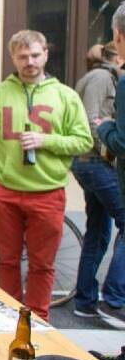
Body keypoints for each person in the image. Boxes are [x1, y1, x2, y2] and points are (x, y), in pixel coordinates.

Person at [0, 29, 92, 321]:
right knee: (7, 262)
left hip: (48, 192)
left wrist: (46, 141)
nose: (30, 62)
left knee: (42, 265)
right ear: (13, 57)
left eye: (35, 55)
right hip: (5, 193)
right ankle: (8, 320)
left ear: (46, 54)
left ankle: (37, 322)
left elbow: (84, 141)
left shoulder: (65, 96)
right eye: (23, 56)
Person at [70, 40, 125, 319]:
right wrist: (109, 148)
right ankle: (114, 301)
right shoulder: (101, 78)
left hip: (92, 163)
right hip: (95, 162)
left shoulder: (104, 77)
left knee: (98, 232)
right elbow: (91, 120)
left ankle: (86, 302)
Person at [94, 3, 125, 324]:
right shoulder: (103, 80)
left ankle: (112, 299)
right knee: (98, 233)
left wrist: (106, 127)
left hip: (99, 164)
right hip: (96, 166)